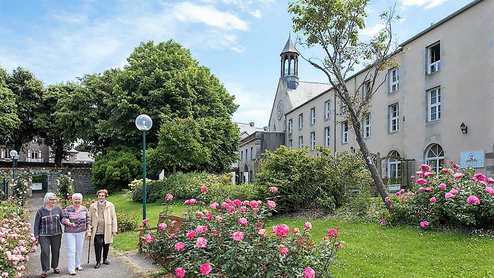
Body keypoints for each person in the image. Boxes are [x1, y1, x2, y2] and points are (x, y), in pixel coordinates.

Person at [33, 192, 63, 278]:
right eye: (51, 199)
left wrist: (68, 222)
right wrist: (36, 235)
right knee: (45, 251)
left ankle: (55, 266)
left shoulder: (58, 209)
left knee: (56, 251)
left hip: (57, 233)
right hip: (43, 235)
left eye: (54, 199)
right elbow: (36, 225)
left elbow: (63, 219)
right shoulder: (40, 211)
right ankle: (45, 270)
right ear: (46, 200)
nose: (53, 201)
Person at [88, 189, 117, 269]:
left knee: (106, 244)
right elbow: (89, 218)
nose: (101, 197)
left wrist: (114, 229)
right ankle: (98, 261)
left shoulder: (110, 205)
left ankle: (105, 259)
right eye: (99, 196)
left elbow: (114, 217)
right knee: (98, 245)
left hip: (107, 228)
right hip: (96, 229)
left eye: (103, 196)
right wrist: (89, 230)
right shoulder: (92, 206)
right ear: (97, 196)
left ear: (105, 196)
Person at [62, 193, 90, 275]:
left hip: (81, 231)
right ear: (72, 200)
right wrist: (68, 223)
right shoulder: (68, 209)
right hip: (70, 232)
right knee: (71, 250)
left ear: (81, 200)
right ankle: (71, 269)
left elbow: (88, 219)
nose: (77, 201)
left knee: (79, 249)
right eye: (75, 199)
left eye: (79, 199)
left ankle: (78, 264)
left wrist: (88, 229)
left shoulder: (84, 209)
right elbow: (63, 219)